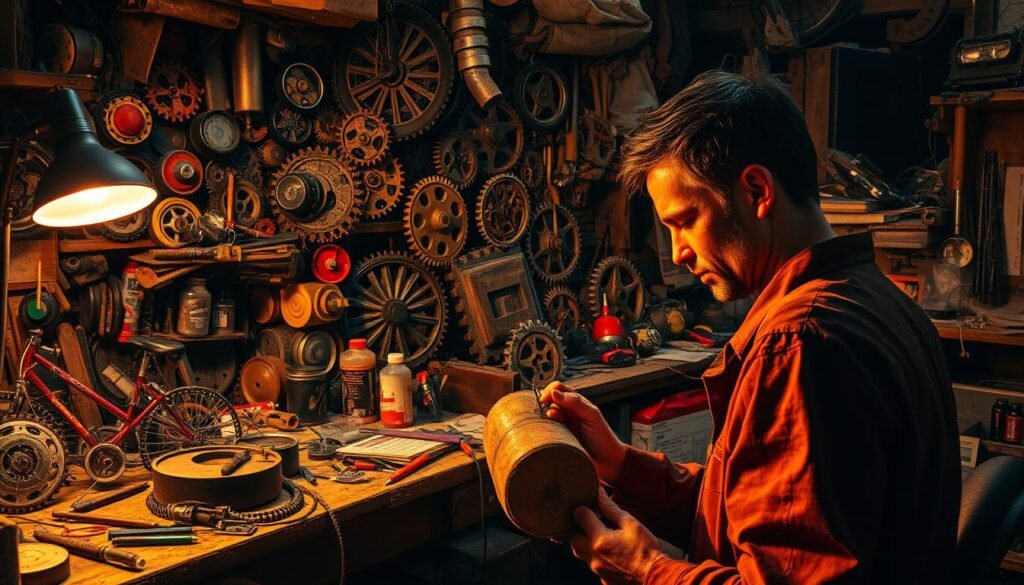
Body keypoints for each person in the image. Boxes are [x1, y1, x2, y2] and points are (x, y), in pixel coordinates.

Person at [540, 71, 960, 584]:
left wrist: (649, 572)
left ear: (757, 190)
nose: (678, 253)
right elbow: (755, 506)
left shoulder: (800, 346)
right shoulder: (880, 299)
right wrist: (622, 465)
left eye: (685, 220)